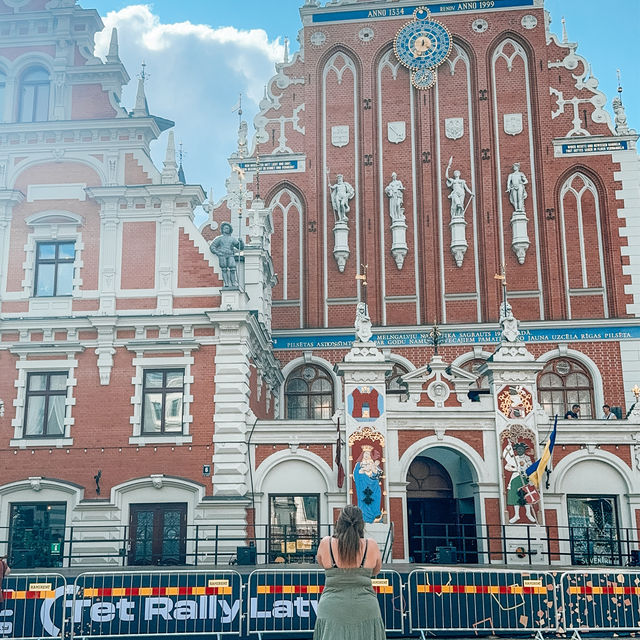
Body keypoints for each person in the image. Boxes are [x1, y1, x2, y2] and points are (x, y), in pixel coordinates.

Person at [314, 505, 384, 640]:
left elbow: (322, 563)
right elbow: (376, 571)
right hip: (365, 608)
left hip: (332, 608)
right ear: (361, 524)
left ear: (339, 522)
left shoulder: (326, 543)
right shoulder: (371, 545)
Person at [209, 222, 244, 288]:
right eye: (225, 228)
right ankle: (226, 283)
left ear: (230, 230)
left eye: (227, 228)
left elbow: (240, 247)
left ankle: (233, 282)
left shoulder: (232, 239)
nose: (226, 229)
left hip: (230, 254)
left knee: (233, 268)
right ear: (222, 229)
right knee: (224, 269)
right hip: (222, 255)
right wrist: (217, 252)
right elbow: (212, 247)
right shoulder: (219, 238)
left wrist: (241, 242)